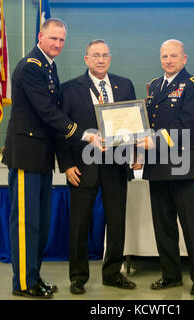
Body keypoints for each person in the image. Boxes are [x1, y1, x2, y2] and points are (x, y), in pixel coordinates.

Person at [2, 18, 102, 299]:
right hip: (26, 155)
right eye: (53, 39)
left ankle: (33, 277)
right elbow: (48, 111)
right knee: (26, 223)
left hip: (41, 156)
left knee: (41, 223)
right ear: (40, 36)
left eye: (62, 40)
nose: (58, 44)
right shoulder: (31, 67)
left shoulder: (48, 66)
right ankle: (23, 283)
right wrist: (84, 135)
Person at [57, 39, 137, 295]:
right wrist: (67, 165)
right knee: (80, 224)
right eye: (95, 55)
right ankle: (78, 277)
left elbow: (132, 125)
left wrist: (134, 152)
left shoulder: (124, 85)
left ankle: (113, 273)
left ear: (110, 58)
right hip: (82, 167)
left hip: (116, 166)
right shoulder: (69, 89)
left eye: (104, 55)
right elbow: (60, 130)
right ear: (86, 59)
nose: (100, 60)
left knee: (116, 223)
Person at [136, 39, 194, 295]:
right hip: (157, 166)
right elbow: (147, 123)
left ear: (184, 58)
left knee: (192, 227)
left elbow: (187, 125)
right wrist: (136, 147)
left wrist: (152, 140)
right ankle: (171, 275)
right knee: (163, 227)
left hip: (183, 165)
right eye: (164, 56)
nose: (168, 60)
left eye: (173, 56)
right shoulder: (155, 86)